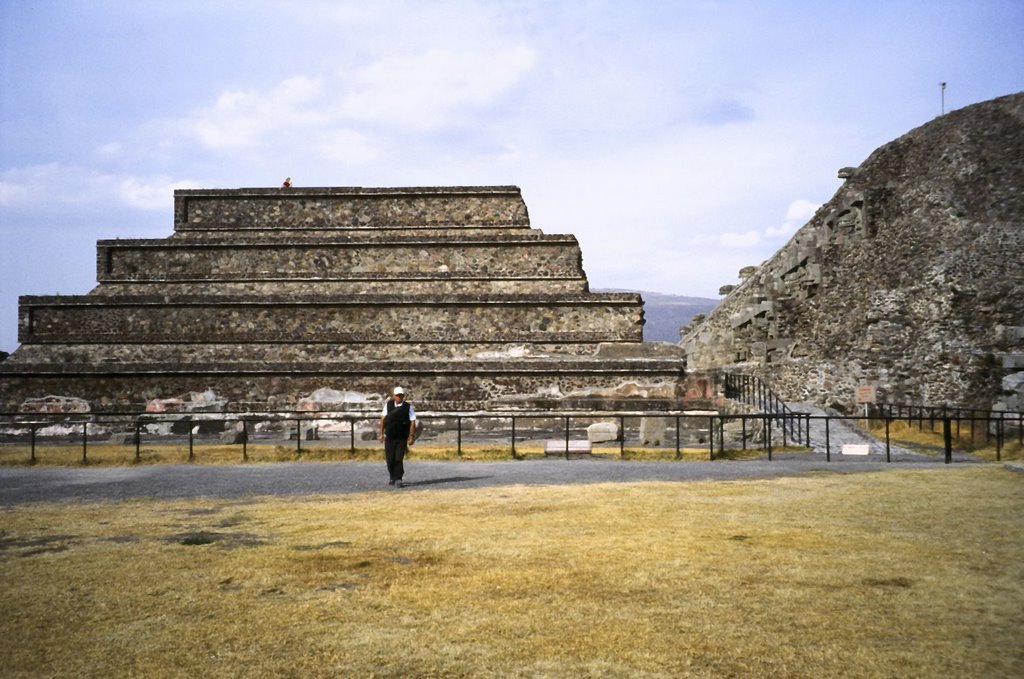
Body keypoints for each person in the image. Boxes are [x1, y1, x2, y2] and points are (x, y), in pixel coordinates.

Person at [379, 387, 415, 487]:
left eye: (401, 395)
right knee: (390, 459)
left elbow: (412, 422)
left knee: (398, 458)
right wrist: (381, 434)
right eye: (397, 395)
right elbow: (383, 419)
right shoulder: (388, 405)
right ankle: (392, 476)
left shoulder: (408, 407)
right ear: (394, 396)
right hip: (390, 436)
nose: (399, 397)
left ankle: (398, 478)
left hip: (401, 437)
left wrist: (411, 436)